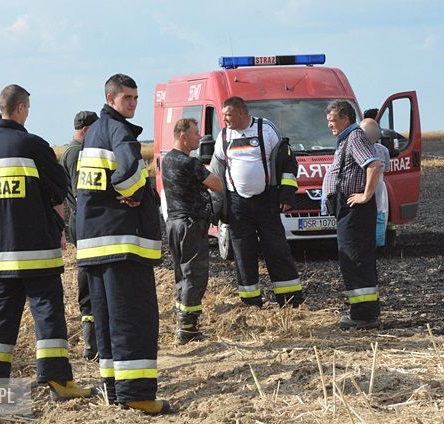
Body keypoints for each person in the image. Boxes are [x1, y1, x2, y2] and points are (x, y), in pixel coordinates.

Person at [0, 84, 94, 400]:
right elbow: (60, 185)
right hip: (35, 249)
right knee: (48, 313)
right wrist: (57, 222)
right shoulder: (31, 144)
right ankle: (57, 380)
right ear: (23, 108)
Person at [75, 73, 170, 414]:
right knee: (134, 319)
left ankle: (114, 390)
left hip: (94, 246)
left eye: (135, 98)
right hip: (123, 245)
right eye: (127, 98)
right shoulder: (120, 132)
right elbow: (129, 174)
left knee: (108, 320)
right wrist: (132, 194)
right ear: (111, 98)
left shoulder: (94, 133)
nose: (133, 103)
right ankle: (139, 396)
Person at [211, 96, 303, 308]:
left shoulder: (266, 129)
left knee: (277, 249)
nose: (224, 120)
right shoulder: (224, 136)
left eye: (228, 115)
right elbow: (217, 170)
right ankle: (250, 302)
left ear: (242, 113)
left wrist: (286, 195)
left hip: (266, 202)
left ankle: (290, 300)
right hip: (237, 204)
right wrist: (218, 206)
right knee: (243, 253)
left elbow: (286, 162)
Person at [162, 118, 223, 344]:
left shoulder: (167, 159)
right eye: (196, 133)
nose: (200, 137)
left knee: (182, 273)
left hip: (174, 224)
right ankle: (188, 328)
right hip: (190, 225)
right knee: (195, 275)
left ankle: (183, 322)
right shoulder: (190, 163)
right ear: (183, 137)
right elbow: (217, 185)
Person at [322, 100, 382, 330]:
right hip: (348, 210)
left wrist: (365, 196)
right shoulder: (348, 139)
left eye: (332, 120)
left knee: (355, 259)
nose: (329, 125)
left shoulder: (355, 137)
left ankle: (364, 316)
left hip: (355, 210)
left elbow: (374, 165)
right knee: (355, 258)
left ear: (345, 118)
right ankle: (364, 312)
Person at [59, 110, 99, 359]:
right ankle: (90, 343)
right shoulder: (76, 153)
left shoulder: (72, 151)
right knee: (87, 276)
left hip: (80, 221)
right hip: (82, 222)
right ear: (85, 129)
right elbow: (79, 194)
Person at [361, 118, 390, 253]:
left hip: (376, 191)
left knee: (378, 216)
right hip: (365, 191)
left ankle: (377, 247)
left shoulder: (382, 151)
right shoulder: (358, 150)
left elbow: (387, 169)